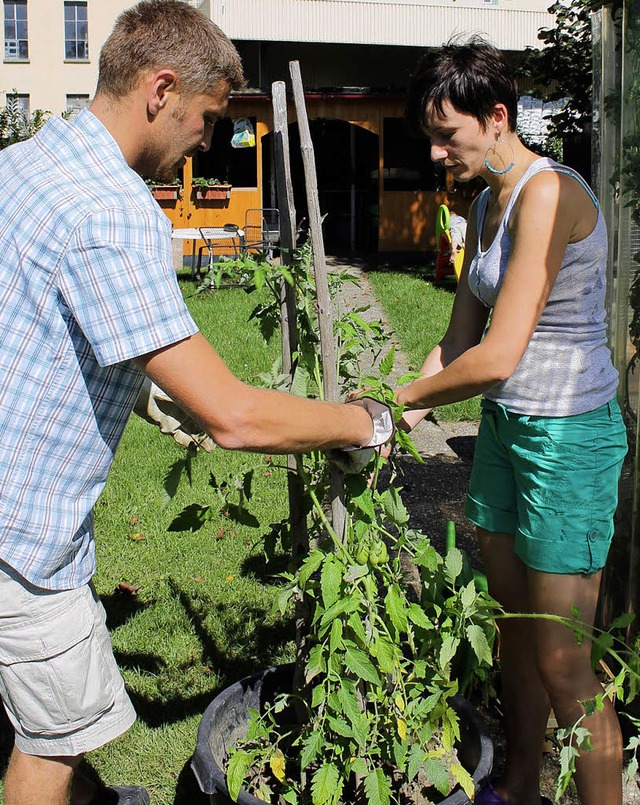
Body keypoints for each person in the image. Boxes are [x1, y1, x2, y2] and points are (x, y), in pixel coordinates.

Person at [0, 3, 392, 804]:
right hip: (22, 536)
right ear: (161, 89)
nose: (207, 144)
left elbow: (39, 313)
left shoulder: (26, 163)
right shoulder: (116, 209)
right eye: (208, 120)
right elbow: (236, 415)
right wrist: (363, 421)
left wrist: (142, 393)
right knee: (50, 746)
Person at [395, 38, 627, 805]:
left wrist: (399, 406)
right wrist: (382, 401)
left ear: (497, 118)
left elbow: (496, 356)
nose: (434, 152)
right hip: (505, 432)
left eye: (446, 135)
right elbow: (456, 343)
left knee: (566, 662)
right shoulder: (488, 203)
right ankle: (522, 786)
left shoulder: (549, 195)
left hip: (568, 437)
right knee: (511, 630)